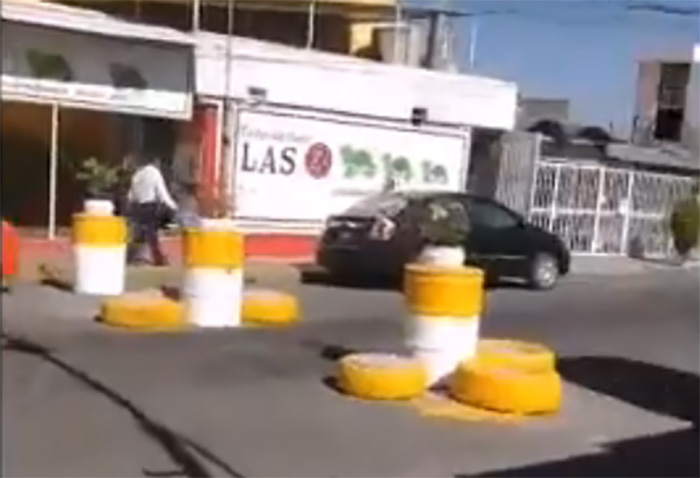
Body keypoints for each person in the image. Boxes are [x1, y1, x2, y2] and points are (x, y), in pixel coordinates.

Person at [126, 156, 178, 266]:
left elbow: (131, 196)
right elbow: (161, 192)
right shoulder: (154, 172)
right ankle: (158, 259)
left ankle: (135, 257)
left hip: (138, 207)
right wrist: (172, 206)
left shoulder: (137, 175)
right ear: (155, 162)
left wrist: (130, 209)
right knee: (151, 234)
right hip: (150, 206)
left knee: (139, 233)